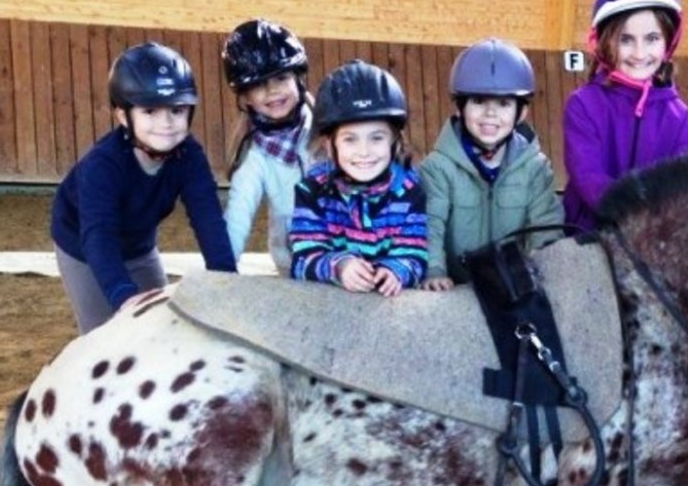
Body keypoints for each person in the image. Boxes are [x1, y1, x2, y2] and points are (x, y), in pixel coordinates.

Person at [50, 41, 238, 334]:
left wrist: (226, 277)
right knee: (107, 337)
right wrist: (123, 295)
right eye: (150, 111)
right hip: (83, 248)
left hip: (139, 245)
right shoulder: (102, 166)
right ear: (123, 116)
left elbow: (208, 219)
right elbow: (98, 236)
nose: (167, 123)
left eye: (177, 110)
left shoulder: (189, 155)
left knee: (161, 328)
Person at [419, 38, 564, 290]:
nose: (490, 113)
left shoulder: (536, 169)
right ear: (460, 108)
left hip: (514, 285)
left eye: (504, 103)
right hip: (454, 288)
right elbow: (431, 224)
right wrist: (435, 270)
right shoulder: (438, 168)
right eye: (478, 101)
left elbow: (544, 229)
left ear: (521, 113)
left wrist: (542, 274)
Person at [562, 0, 688, 235]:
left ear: (667, 42)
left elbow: (681, 185)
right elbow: (589, 179)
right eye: (626, 40)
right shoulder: (583, 105)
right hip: (590, 236)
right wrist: (636, 213)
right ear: (605, 43)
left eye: (652, 39)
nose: (639, 53)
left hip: (654, 237)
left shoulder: (678, 117)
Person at [288, 60, 427, 296]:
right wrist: (339, 266)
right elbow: (302, 259)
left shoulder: (409, 191)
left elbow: (415, 253)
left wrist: (397, 270)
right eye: (350, 139)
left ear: (395, 141)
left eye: (376, 138)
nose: (364, 151)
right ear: (330, 146)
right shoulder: (312, 192)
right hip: (329, 304)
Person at [221, 19, 314, 273]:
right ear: (245, 97)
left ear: (298, 78)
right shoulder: (254, 155)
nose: (273, 91)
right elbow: (238, 216)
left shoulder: (327, 131)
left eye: (282, 78)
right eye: (258, 84)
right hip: (293, 263)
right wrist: (221, 269)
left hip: (344, 257)